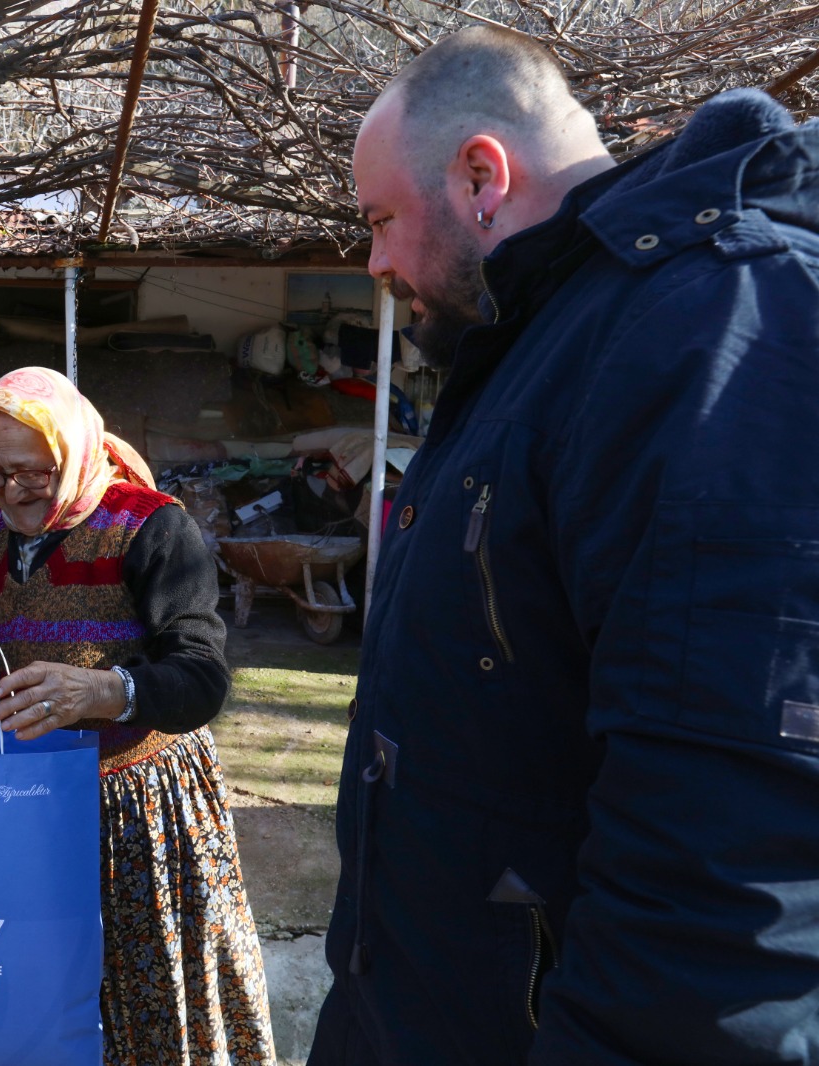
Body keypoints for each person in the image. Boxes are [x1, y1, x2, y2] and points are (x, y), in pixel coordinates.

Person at [310, 25, 819, 1066]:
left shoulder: (709, 326)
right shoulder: (548, 336)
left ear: (481, 177)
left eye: (379, 222)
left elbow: (727, 845)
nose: (373, 263)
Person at [0, 366, 276, 1065]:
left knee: (148, 996)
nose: (12, 493)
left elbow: (201, 677)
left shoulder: (150, 527)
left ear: (74, 451)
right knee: (37, 994)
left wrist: (102, 692)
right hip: (24, 803)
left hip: (136, 812)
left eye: (32, 473)